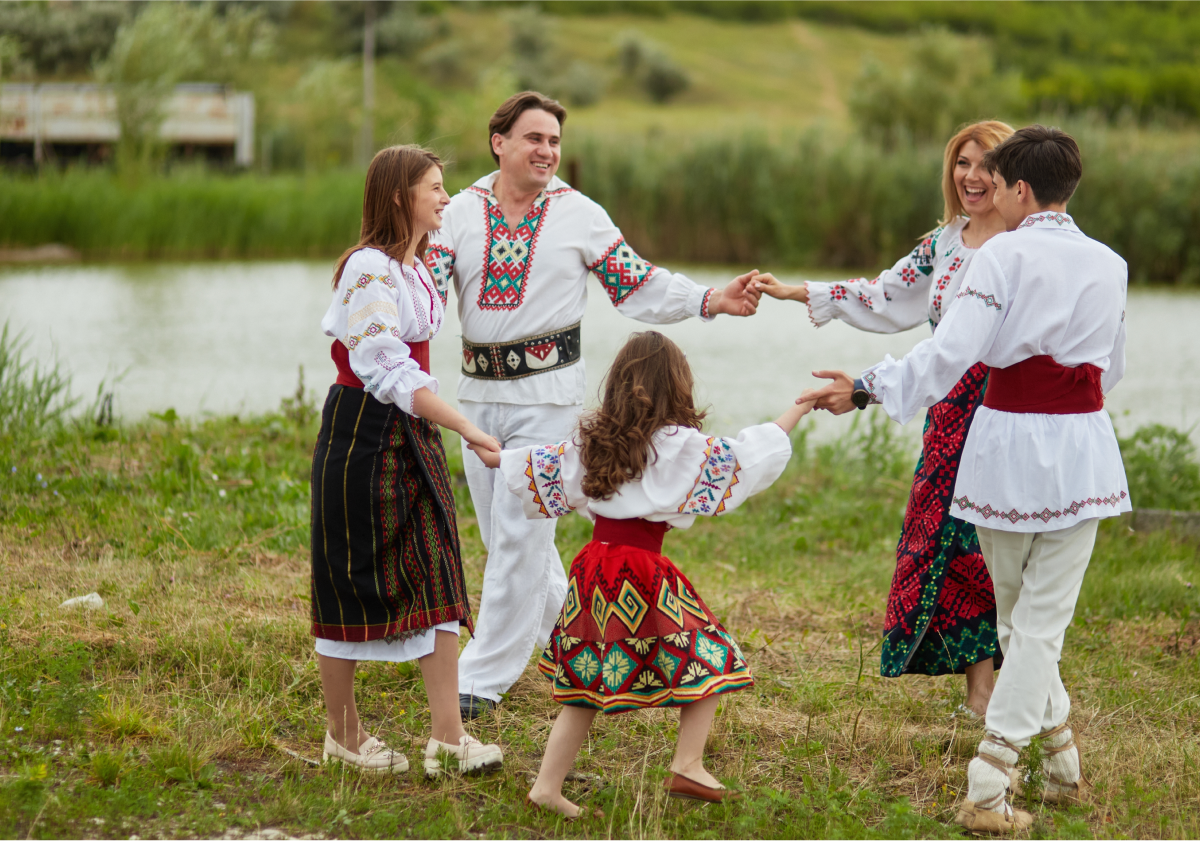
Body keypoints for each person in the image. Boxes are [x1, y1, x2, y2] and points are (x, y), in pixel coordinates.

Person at [801, 126, 1128, 833]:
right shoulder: (1112, 263)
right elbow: (1115, 367)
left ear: (1018, 188)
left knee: (1026, 620)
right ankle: (1062, 760)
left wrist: (864, 387)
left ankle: (991, 779)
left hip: (1003, 451)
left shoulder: (1000, 257)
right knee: (1028, 621)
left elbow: (947, 354)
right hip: (1080, 452)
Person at [424, 91, 766, 720]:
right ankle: (583, 644)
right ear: (499, 143)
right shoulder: (459, 211)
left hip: (548, 399)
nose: (547, 151)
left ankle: (480, 679)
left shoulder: (580, 214)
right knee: (508, 539)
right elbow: (423, 285)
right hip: (476, 400)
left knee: (521, 535)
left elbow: (638, 284)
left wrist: (712, 299)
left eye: (554, 141)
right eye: (534, 138)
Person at [469, 331, 814, 817]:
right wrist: (798, 410)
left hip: (594, 568)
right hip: (639, 568)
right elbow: (747, 455)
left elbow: (533, 466)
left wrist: (492, 450)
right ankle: (688, 763)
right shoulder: (679, 445)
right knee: (710, 657)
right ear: (677, 385)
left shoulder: (592, 440)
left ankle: (547, 787)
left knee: (587, 680)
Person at [755, 121, 1015, 717]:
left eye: (986, 165)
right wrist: (799, 292)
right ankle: (983, 690)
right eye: (961, 162)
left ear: (1012, 176)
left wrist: (870, 388)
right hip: (947, 412)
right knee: (950, 545)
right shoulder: (946, 242)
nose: (971, 176)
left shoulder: (1023, 247)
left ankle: (1007, 688)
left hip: (1001, 408)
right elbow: (885, 294)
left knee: (988, 543)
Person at [310, 145, 504, 778]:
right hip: (361, 433)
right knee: (349, 573)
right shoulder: (367, 269)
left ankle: (448, 739)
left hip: (410, 430)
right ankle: (343, 735)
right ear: (400, 197)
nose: (445, 198)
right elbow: (387, 367)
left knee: (440, 566)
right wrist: (470, 428)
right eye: (434, 188)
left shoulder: (416, 266)